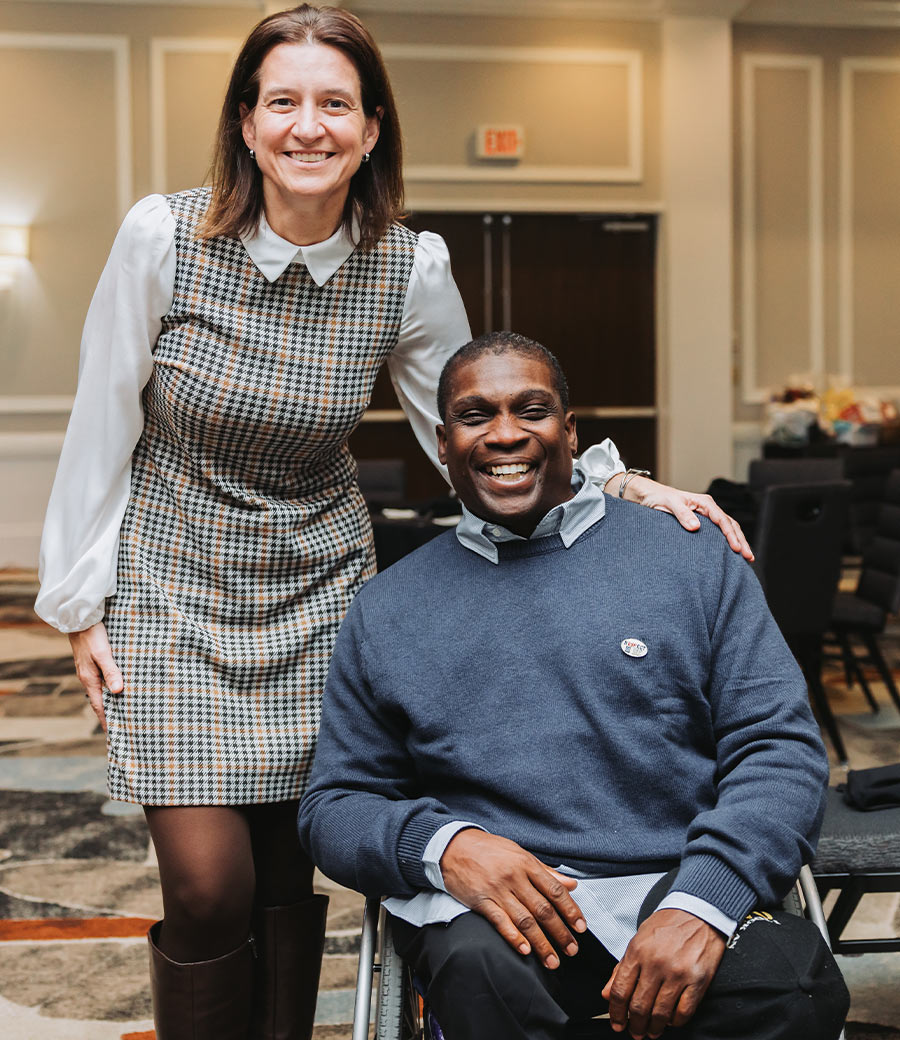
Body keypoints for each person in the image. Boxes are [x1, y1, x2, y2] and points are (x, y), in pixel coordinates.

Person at [35, 6, 751, 1039]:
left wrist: (620, 480)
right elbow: (101, 417)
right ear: (246, 122)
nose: (308, 126)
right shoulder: (164, 236)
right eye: (283, 101)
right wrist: (77, 606)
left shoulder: (407, 265)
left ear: (372, 129)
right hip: (173, 584)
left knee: (289, 870)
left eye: (336, 103)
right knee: (206, 887)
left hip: (318, 586)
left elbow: (470, 425)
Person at [298, 332, 849, 1040]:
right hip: (501, 908)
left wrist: (704, 902)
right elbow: (335, 805)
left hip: (674, 874)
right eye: (475, 415)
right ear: (442, 442)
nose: (505, 434)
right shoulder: (387, 607)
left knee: (791, 992)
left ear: (570, 431)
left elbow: (778, 749)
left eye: (531, 410)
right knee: (476, 976)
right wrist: (447, 847)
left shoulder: (691, 560)